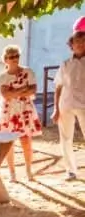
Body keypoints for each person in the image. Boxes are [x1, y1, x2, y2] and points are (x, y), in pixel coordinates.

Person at [0, 44, 42, 182]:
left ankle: (28, 170)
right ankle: (12, 172)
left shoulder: (28, 72)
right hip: (8, 111)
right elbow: (5, 95)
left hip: (24, 109)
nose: (15, 59)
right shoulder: (2, 76)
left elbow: (33, 90)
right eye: (12, 56)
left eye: (17, 56)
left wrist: (14, 92)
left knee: (26, 141)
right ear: (6, 59)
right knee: (9, 143)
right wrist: (22, 90)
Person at [51, 16, 85, 181]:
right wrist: (56, 109)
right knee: (65, 139)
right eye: (76, 41)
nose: (79, 44)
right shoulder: (65, 64)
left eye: (83, 41)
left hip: (84, 106)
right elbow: (58, 86)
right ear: (71, 45)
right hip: (65, 105)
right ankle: (71, 170)